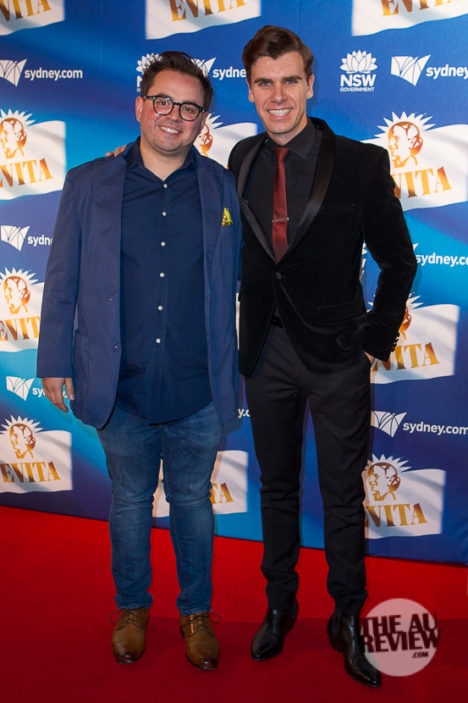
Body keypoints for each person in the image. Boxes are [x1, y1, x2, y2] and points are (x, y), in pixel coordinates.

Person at [37, 51, 242, 670]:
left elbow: (247, 277)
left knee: (193, 501)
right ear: (140, 106)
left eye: (189, 107)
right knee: (129, 501)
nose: (174, 116)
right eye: (163, 101)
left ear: (202, 119)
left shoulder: (222, 186)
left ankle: (196, 612)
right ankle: (131, 608)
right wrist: (54, 359)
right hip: (119, 386)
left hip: (198, 385)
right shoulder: (88, 183)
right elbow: (61, 280)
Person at [228, 26, 417, 687]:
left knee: (341, 494)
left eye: (289, 80)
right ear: (250, 90)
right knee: (276, 487)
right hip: (266, 351)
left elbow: (399, 261)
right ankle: (280, 603)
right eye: (264, 83)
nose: (277, 95)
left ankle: (346, 616)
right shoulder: (240, 158)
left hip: (337, 356)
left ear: (310, 84)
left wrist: (373, 340)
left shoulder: (361, 163)